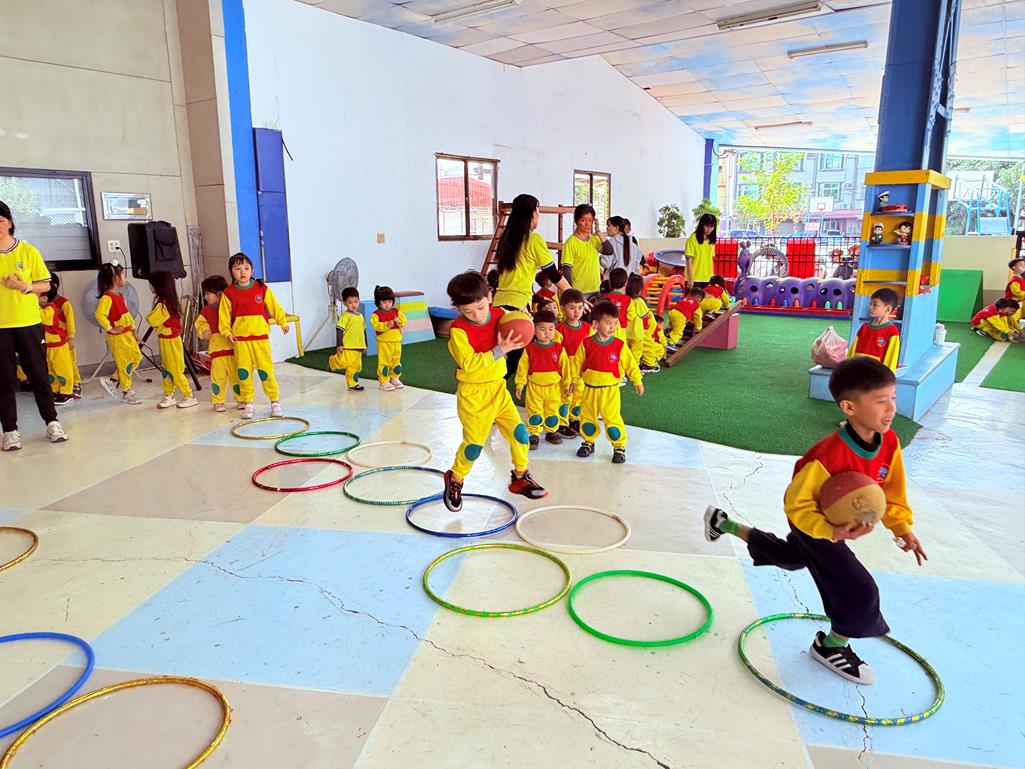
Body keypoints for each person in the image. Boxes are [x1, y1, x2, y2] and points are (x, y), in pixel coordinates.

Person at [703, 357, 926, 685]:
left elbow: (892, 490)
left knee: (791, 558)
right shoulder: (826, 456)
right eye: (881, 401)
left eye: (893, 398)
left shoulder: (889, 442)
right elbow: (796, 506)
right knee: (860, 589)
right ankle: (830, 645)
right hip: (813, 523)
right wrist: (830, 531)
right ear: (849, 407)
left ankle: (724, 524)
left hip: (832, 527)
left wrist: (902, 527)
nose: (891, 408)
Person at [442, 270, 547, 512]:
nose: (477, 315)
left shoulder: (502, 315)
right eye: (468, 311)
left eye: (480, 307)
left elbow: (522, 327)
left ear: (489, 297)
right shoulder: (458, 331)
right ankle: (455, 478)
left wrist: (527, 320)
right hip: (473, 395)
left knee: (520, 434)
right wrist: (499, 350)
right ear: (458, 309)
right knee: (474, 446)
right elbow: (469, 364)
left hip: (498, 388)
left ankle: (520, 475)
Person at [0, 200, 68, 450]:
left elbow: (45, 284)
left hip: (28, 323)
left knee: (39, 374)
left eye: (0, 221)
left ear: (9, 223)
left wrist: (25, 287)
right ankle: (10, 430)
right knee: (4, 379)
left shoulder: (28, 251)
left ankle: (52, 422)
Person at [492, 194, 571, 376]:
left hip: (498, 304)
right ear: (531, 214)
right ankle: (493, 386)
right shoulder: (533, 240)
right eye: (538, 211)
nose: (539, 216)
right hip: (518, 306)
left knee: (504, 354)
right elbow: (553, 274)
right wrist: (573, 294)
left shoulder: (506, 238)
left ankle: (493, 384)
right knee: (516, 358)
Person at [219, 252, 290, 419]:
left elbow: (275, 307)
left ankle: (274, 401)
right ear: (231, 272)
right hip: (241, 341)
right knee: (243, 373)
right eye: (237, 269)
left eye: (246, 268)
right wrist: (227, 333)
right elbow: (224, 316)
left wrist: (282, 322)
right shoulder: (228, 293)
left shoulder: (261, 288)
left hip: (260, 339)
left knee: (266, 370)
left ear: (252, 270)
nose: (242, 272)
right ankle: (248, 403)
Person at [574, 299, 644, 464]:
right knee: (587, 418)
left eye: (615, 323)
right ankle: (588, 442)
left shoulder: (619, 345)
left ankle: (619, 447)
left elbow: (630, 364)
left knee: (612, 420)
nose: (612, 327)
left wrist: (637, 380)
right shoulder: (586, 343)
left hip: (610, 390)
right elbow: (577, 364)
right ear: (596, 324)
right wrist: (573, 381)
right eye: (608, 323)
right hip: (589, 389)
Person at [515, 309, 571, 450]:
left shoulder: (559, 349)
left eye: (551, 329)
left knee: (552, 410)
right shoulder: (529, 349)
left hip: (554, 387)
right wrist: (520, 384)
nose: (547, 333)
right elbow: (522, 368)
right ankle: (534, 433)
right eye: (542, 329)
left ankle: (551, 432)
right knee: (534, 410)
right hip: (534, 387)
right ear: (534, 330)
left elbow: (565, 369)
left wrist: (567, 385)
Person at [146, 270, 198, 409]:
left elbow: (152, 320)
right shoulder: (167, 302)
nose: (149, 287)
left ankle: (189, 395)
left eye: (151, 284)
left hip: (171, 341)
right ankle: (169, 395)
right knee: (166, 369)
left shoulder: (164, 304)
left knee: (175, 370)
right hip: (165, 340)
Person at [95, 262, 144, 406]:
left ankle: (113, 379)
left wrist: (134, 332)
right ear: (115, 278)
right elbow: (100, 315)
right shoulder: (107, 297)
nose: (124, 277)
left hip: (127, 335)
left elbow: (127, 317)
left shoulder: (120, 296)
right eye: (122, 274)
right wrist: (110, 328)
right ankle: (127, 390)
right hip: (118, 338)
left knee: (136, 357)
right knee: (125, 362)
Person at [194, 275, 239, 412]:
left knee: (236, 377)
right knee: (217, 378)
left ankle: (242, 399)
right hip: (217, 350)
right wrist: (205, 330)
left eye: (207, 293)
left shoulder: (232, 308)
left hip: (233, 349)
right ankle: (218, 401)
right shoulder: (206, 311)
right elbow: (199, 323)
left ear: (219, 293)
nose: (205, 297)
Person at [555, 288, 590, 438]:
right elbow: (555, 351)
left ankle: (574, 419)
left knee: (579, 395)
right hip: (565, 369)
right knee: (565, 395)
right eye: (572, 308)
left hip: (580, 369)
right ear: (563, 309)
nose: (577, 312)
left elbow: (591, 346)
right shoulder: (559, 329)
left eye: (580, 308)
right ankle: (561, 423)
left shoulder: (587, 328)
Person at [38, 280, 77, 405]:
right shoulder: (45, 308)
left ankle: (67, 392)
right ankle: (55, 389)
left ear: (44, 298)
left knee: (63, 368)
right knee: (51, 369)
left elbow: (40, 317)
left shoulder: (50, 309)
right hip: (49, 345)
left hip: (58, 345)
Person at [561, 204, 612, 296]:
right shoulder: (570, 243)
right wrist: (570, 292)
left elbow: (609, 251)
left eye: (590, 220)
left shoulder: (594, 239)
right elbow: (567, 269)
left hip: (596, 289)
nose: (587, 224)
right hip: (579, 292)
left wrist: (598, 231)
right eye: (583, 220)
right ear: (576, 221)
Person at [44, 275, 82, 399]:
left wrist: (71, 337)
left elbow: (70, 321)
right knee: (55, 366)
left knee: (70, 363)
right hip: (53, 343)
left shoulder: (64, 303)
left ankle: (75, 383)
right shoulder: (44, 305)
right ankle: (57, 387)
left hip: (65, 340)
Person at [849, 288, 901, 370]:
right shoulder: (864, 327)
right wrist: (848, 367)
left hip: (875, 375)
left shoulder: (892, 331)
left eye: (875, 305)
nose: (870, 307)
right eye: (870, 304)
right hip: (857, 371)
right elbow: (852, 351)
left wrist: (885, 376)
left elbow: (891, 359)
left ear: (887, 309)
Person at [328, 287, 367, 391]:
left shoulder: (361, 316)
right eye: (350, 302)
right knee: (344, 362)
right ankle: (332, 361)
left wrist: (365, 344)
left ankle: (353, 384)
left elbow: (363, 331)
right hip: (348, 346)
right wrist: (339, 344)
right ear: (344, 303)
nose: (353, 305)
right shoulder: (345, 316)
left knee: (356, 366)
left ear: (359, 301)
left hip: (358, 346)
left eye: (356, 301)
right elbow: (339, 330)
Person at [370, 285, 406, 391]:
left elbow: (403, 321)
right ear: (378, 302)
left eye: (389, 302)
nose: (387, 304)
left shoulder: (397, 312)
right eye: (384, 302)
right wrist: (386, 325)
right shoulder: (375, 314)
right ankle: (384, 381)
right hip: (384, 342)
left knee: (396, 360)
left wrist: (399, 321)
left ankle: (395, 378)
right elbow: (376, 326)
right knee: (384, 361)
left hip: (396, 341)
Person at [625, 273, 654, 371]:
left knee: (627, 351)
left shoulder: (626, 299)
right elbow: (646, 315)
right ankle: (634, 370)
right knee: (636, 353)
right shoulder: (639, 302)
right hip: (637, 333)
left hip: (626, 332)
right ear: (640, 289)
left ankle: (625, 368)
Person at [686, 213, 717, 288]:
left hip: (707, 278)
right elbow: (689, 260)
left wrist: (712, 276)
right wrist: (690, 279)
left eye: (712, 227)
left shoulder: (711, 241)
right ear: (701, 225)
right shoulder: (692, 239)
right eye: (707, 226)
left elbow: (711, 260)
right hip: (694, 278)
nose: (709, 229)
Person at [602, 267, 631, 332]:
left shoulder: (603, 297)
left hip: (606, 327)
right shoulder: (628, 300)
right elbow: (631, 315)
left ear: (609, 282)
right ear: (625, 283)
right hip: (622, 328)